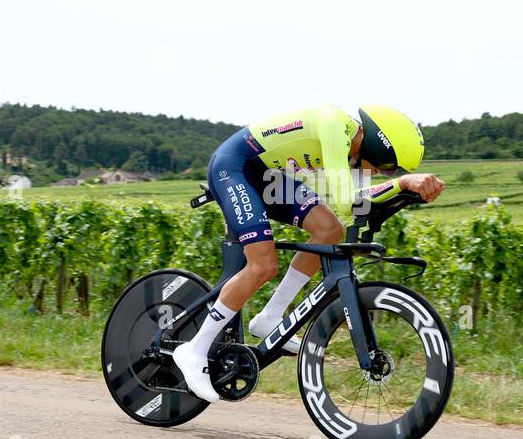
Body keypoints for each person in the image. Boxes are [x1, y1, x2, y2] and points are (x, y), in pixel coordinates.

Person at [173, 105, 445, 401]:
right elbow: (347, 200)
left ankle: (270, 316)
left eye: (390, 172)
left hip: (264, 177)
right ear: (380, 146)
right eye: (389, 167)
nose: (382, 173)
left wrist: (405, 192)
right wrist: (403, 183)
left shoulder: (349, 148)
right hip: (234, 168)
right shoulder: (333, 126)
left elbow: (361, 204)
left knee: (330, 230)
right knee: (263, 264)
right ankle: (194, 349)